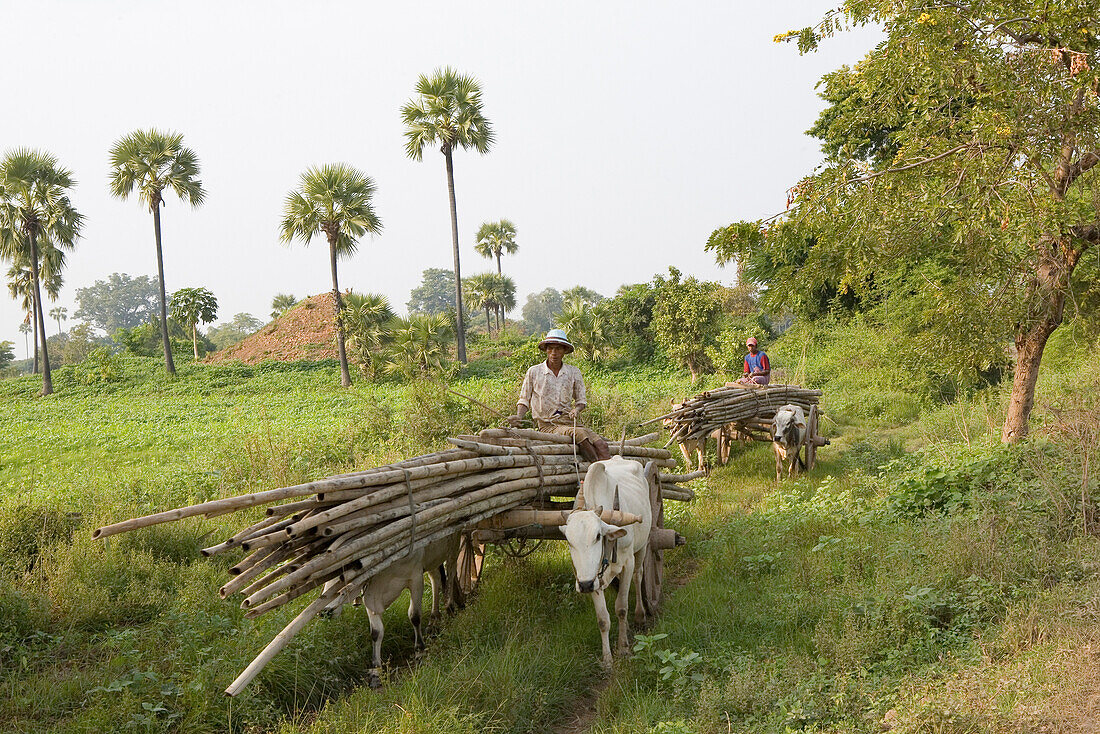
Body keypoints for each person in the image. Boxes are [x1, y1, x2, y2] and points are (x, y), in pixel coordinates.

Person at [508, 329, 611, 462]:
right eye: (550, 348)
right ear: (546, 350)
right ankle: (595, 467)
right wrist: (519, 417)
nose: (554, 353)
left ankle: (607, 470)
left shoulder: (573, 372)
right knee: (580, 435)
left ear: (564, 351)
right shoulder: (534, 372)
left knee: (602, 444)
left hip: (569, 422)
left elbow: (581, 400)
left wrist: (576, 409)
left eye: (558, 349)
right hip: (547, 425)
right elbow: (524, 399)